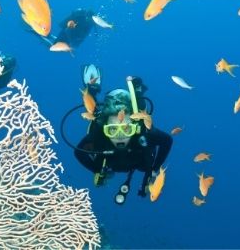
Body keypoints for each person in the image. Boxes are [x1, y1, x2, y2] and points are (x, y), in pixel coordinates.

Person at [73, 76, 173, 204]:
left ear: (135, 128)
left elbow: (167, 141)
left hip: (139, 160)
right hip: (110, 161)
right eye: (112, 130)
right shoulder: (99, 135)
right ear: (105, 128)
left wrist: (154, 168)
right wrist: (96, 169)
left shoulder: (143, 134)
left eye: (127, 129)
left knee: (144, 165)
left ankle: (137, 93)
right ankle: (91, 92)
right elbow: (78, 152)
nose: (120, 136)